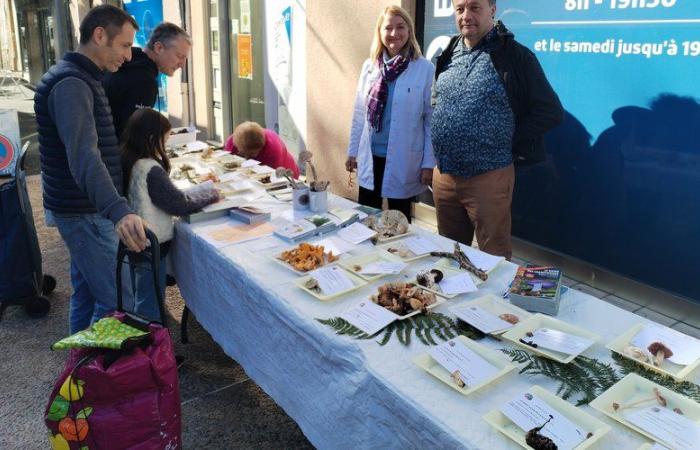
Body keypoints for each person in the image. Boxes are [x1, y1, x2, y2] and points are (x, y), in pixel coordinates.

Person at [34, 5, 148, 333]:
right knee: (118, 303)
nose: (128, 56)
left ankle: (80, 376)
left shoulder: (82, 77)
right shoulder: (72, 83)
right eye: (125, 45)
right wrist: (118, 210)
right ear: (99, 35)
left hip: (82, 208)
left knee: (86, 294)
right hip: (85, 212)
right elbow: (84, 156)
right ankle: (97, 375)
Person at [431, 0, 563, 259]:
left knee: (494, 258)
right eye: (460, 9)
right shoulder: (450, 51)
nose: (466, 16)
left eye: (474, 7)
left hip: (488, 176)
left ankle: (492, 302)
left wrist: (504, 138)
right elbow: (438, 100)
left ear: (492, 9)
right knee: (449, 254)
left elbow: (550, 111)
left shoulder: (514, 55)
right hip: (445, 176)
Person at [122, 108, 220, 321]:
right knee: (150, 298)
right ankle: (150, 343)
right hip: (150, 241)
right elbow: (178, 204)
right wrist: (211, 194)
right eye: (164, 140)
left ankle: (143, 332)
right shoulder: (150, 168)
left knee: (141, 288)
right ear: (151, 139)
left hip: (135, 238)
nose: (165, 146)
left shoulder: (128, 157)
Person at [345, 5, 436, 222]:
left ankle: (397, 256)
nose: (394, 33)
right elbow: (359, 113)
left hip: (403, 158)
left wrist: (428, 164)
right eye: (388, 28)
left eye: (400, 27)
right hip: (371, 155)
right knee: (367, 218)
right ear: (380, 32)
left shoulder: (424, 69)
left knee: (400, 220)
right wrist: (352, 151)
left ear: (409, 30)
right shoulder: (370, 67)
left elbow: (431, 120)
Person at [103, 22, 192, 139]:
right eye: (180, 56)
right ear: (159, 48)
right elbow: (132, 138)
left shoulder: (130, 65)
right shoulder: (143, 80)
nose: (182, 65)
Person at [224, 121, 300, 178]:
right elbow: (226, 166)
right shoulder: (232, 142)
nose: (247, 157)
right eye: (243, 153)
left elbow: (272, 179)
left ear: (262, 146)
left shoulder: (273, 148)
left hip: (285, 175)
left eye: (252, 154)